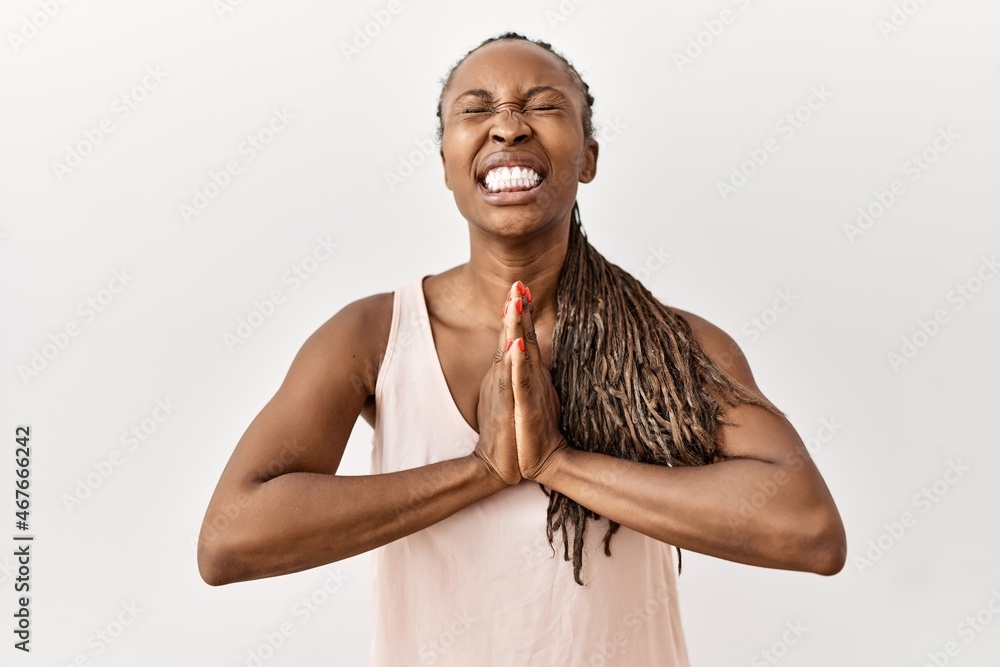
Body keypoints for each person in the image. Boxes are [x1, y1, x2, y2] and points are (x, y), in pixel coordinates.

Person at [197, 32, 847, 666]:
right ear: (447, 161)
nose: (508, 126)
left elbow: (810, 530)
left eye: (542, 104)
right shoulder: (373, 336)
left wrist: (560, 463)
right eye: (476, 109)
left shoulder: (673, 345)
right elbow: (230, 537)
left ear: (589, 156)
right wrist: (481, 469)